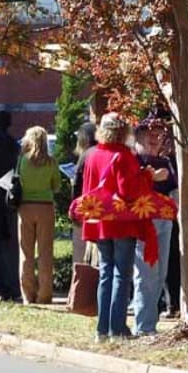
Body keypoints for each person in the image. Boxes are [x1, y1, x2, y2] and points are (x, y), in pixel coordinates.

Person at [79, 113, 163, 340]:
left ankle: (102, 330)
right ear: (123, 131)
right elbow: (128, 191)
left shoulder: (92, 155)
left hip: (100, 222)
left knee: (106, 272)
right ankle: (117, 328)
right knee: (121, 275)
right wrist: (147, 176)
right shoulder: (124, 156)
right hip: (122, 222)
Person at [131, 118, 177, 335]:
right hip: (143, 221)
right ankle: (143, 325)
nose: (155, 140)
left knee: (160, 273)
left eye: (158, 136)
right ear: (138, 138)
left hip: (165, 221)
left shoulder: (167, 162)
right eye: (150, 136)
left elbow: (174, 190)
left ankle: (151, 322)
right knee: (144, 273)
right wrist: (150, 176)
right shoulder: (133, 161)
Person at [17, 126, 62, 304]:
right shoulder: (52, 162)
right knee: (45, 252)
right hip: (45, 207)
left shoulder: (22, 160)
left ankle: (28, 295)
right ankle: (45, 294)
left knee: (25, 253)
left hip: (25, 207)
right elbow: (57, 186)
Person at [0, 110, 22, 302]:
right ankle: (11, 285)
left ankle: (4, 286)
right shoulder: (14, 144)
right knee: (8, 244)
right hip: (8, 194)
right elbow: (15, 170)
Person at [71, 121, 98, 267]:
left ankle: (84, 287)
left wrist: (74, 210)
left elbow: (76, 185)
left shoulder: (85, 155)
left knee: (85, 254)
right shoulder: (104, 151)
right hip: (105, 208)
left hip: (88, 209)